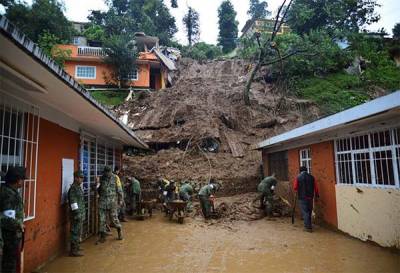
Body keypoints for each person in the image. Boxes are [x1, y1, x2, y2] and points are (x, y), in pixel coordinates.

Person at [0, 166, 26, 273]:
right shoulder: (8, 194)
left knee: (12, 263)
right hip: (9, 237)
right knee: (9, 265)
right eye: (22, 179)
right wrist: (18, 224)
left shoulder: (11, 190)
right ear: (17, 180)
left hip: (13, 235)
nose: (23, 182)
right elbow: (4, 218)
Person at [97, 166, 123, 243]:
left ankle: (119, 231)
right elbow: (97, 189)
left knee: (114, 218)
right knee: (102, 219)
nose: (108, 174)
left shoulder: (116, 178)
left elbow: (119, 189)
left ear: (111, 171)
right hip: (102, 201)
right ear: (104, 172)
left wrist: (121, 200)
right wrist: (97, 183)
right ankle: (102, 236)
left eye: (109, 172)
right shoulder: (101, 178)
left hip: (112, 201)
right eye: (106, 172)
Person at [294, 166, 319, 232]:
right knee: (309, 211)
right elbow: (316, 187)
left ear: (300, 171)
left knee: (305, 212)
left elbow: (295, 187)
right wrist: (317, 195)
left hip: (302, 197)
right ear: (306, 170)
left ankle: (308, 227)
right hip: (310, 197)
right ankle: (309, 225)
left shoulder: (298, 177)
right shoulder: (312, 177)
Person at [67, 170, 85, 257]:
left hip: (80, 214)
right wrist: (77, 213)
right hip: (76, 215)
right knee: (75, 231)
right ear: (76, 178)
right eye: (80, 178)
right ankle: (73, 250)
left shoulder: (78, 187)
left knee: (78, 231)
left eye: (82, 177)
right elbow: (73, 202)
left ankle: (77, 246)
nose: (82, 179)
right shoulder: (73, 189)